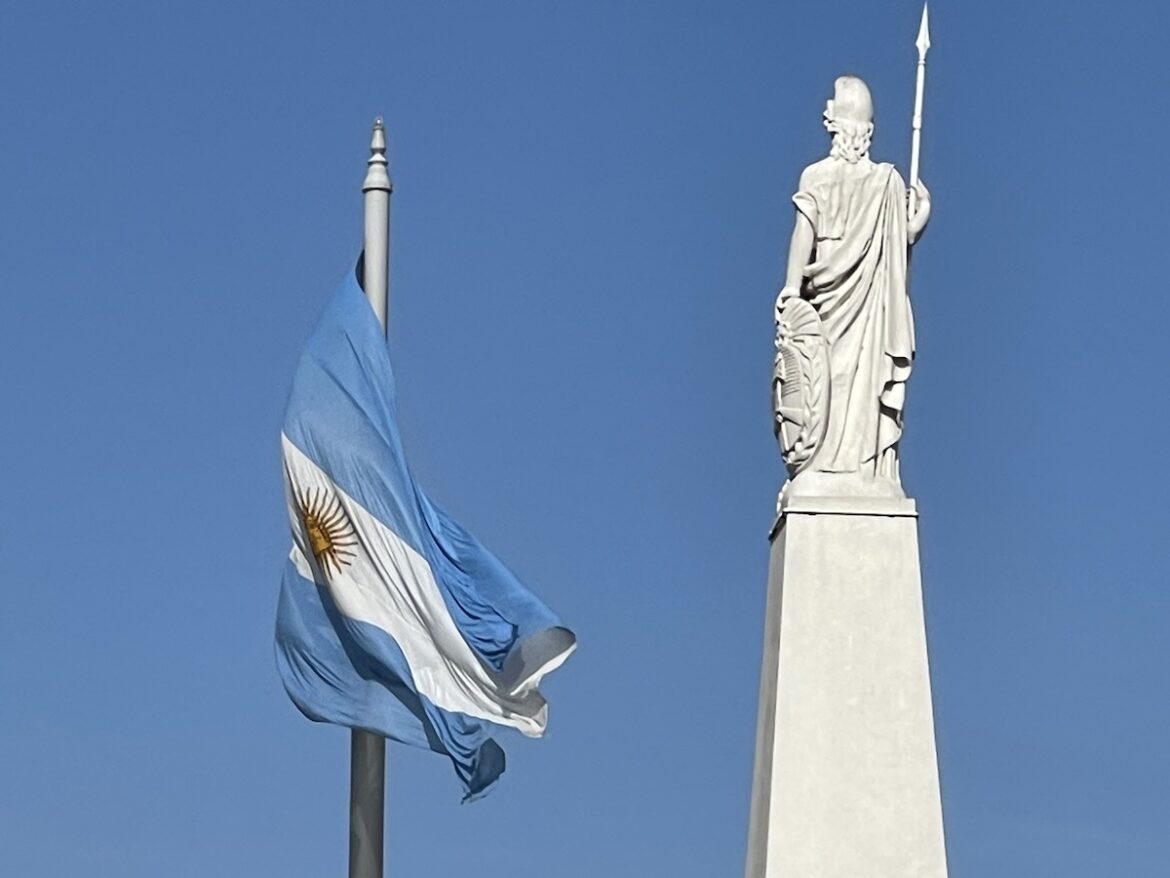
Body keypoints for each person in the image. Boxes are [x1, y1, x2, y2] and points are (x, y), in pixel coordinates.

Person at [777, 75, 931, 492]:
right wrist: (915, 224)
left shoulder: (820, 177)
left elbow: (805, 232)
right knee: (851, 381)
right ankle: (851, 467)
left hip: (843, 300)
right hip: (848, 302)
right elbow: (896, 243)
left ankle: (838, 469)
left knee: (831, 380)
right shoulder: (886, 183)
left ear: (837, 121)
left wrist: (791, 287)